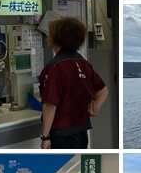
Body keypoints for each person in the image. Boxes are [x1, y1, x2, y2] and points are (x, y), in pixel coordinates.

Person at [38, 17, 108, 149]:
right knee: (76, 166)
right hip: (81, 130)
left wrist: (45, 136)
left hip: (61, 133)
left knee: (63, 168)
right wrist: (96, 106)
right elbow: (103, 90)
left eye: (50, 33)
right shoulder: (84, 64)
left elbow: (50, 105)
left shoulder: (54, 68)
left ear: (54, 39)